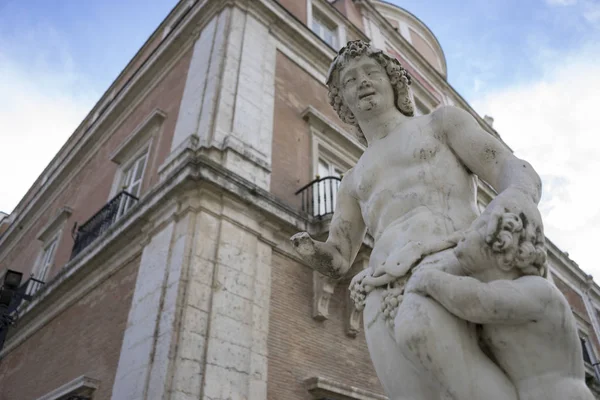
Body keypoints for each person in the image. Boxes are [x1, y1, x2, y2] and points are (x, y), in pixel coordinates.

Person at [290, 40, 544, 399]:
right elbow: (339, 255)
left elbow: (507, 166)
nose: (361, 82)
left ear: (394, 81)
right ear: (342, 103)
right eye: (349, 81)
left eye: (371, 72)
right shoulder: (353, 178)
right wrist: (313, 251)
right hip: (382, 291)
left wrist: (517, 196)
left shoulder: (440, 123)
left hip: (457, 259)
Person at [404, 209, 594, 400]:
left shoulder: (539, 290)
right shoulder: (500, 302)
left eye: (474, 228)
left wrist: (427, 278)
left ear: (502, 245)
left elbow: (479, 301)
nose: (463, 234)